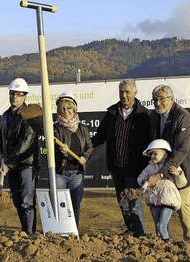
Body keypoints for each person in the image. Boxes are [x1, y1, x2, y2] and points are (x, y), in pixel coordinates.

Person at [91, 79, 151, 237]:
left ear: (135, 93)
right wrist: (84, 147)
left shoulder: (144, 116)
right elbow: (99, 137)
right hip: (117, 166)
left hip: (135, 168)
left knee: (134, 202)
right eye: (121, 92)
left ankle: (140, 235)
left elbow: (150, 143)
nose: (124, 95)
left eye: (127, 92)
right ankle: (131, 230)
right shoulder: (111, 114)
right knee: (123, 202)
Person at [148, 83, 190, 244]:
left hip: (187, 167)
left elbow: (182, 150)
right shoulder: (154, 116)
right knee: (159, 201)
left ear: (171, 99)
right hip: (168, 166)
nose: (158, 103)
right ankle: (163, 239)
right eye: (155, 99)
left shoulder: (183, 117)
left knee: (182, 203)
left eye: (162, 99)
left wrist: (160, 174)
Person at [0, 78, 39, 234]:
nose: (15, 97)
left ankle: (30, 235)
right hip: (11, 164)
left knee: (27, 202)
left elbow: (25, 143)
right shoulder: (5, 115)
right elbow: (1, 139)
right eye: (12, 94)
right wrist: (2, 157)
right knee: (17, 200)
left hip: (27, 164)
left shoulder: (29, 115)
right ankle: (24, 230)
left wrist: (8, 163)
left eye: (19, 94)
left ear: (25, 96)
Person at [53, 93, 93, 227]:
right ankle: (59, 231)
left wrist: (84, 157)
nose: (66, 111)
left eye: (69, 108)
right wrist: (60, 150)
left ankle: (73, 232)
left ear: (74, 109)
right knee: (60, 205)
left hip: (77, 174)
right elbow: (52, 146)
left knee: (75, 206)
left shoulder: (82, 128)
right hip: (61, 173)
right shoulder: (55, 128)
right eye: (63, 108)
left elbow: (90, 147)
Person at [137, 139, 187, 242]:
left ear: (164, 155)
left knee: (161, 226)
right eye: (151, 154)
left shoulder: (173, 167)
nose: (152, 156)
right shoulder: (150, 168)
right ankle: (160, 244)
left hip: (167, 200)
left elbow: (182, 183)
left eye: (155, 153)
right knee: (157, 226)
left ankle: (166, 244)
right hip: (154, 201)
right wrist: (144, 182)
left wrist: (178, 174)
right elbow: (140, 178)